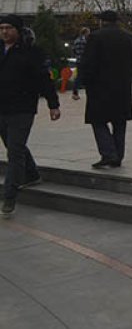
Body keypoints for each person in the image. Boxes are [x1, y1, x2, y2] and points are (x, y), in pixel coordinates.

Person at [0, 14, 61, 218]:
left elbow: (43, 79)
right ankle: (32, 174)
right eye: (1, 28)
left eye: (8, 28)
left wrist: (53, 104)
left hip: (22, 108)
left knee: (14, 151)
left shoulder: (31, 53)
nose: (5, 32)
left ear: (18, 30)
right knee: (12, 144)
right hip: (2, 108)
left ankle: (9, 196)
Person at [80, 10, 132, 168]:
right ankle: (118, 156)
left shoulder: (95, 38)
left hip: (99, 87)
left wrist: (83, 82)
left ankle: (108, 153)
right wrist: (127, 75)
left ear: (102, 21)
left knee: (98, 121)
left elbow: (88, 63)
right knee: (120, 123)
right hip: (122, 87)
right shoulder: (129, 37)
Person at [71, 27, 89, 100]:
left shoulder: (76, 40)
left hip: (78, 60)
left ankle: (75, 92)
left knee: (79, 76)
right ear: (85, 33)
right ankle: (75, 93)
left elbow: (73, 50)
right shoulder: (84, 41)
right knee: (82, 77)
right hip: (84, 60)